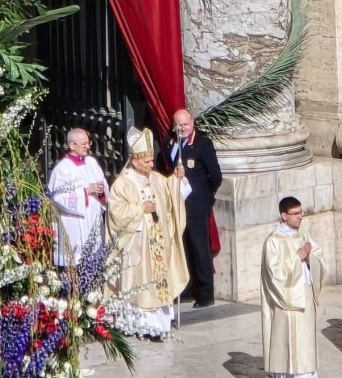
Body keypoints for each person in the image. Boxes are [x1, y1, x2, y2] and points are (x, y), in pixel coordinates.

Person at [106, 127, 190, 341]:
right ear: (135, 161)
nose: (152, 166)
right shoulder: (122, 184)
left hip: (158, 243)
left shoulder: (157, 179)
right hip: (137, 245)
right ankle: (141, 325)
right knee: (141, 287)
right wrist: (140, 209)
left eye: (152, 161)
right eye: (147, 162)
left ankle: (160, 325)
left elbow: (172, 197)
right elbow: (116, 214)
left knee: (159, 284)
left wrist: (177, 179)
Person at [261, 196, 324, 378]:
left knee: (305, 345)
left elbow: (318, 256)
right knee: (288, 345)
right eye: (296, 214)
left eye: (301, 212)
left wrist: (309, 259)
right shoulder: (273, 242)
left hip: (304, 294)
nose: (301, 216)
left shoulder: (303, 234)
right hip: (287, 301)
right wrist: (297, 258)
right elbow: (274, 275)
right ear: (284, 215)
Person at [158, 107, 222, 307]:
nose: (182, 128)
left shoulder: (203, 144)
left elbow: (216, 176)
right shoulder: (169, 143)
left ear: (192, 123)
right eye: (178, 125)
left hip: (196, 206)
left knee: (199, 249)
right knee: (182, 247)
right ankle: (185, 288)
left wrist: (205, 196)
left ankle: (205, 294)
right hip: (177, 204)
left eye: (185, 124)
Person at [47, 128, 109, 267]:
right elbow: (57, 199)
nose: (88, 147)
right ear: (72, 145)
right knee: (75, 266)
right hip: (73, 226)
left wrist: (101, 190)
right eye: (84, 144)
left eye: (89, 143)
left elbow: (103, 184)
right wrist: (86, 191)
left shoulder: (92, 163)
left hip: (93, 220)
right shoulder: (62, 169)